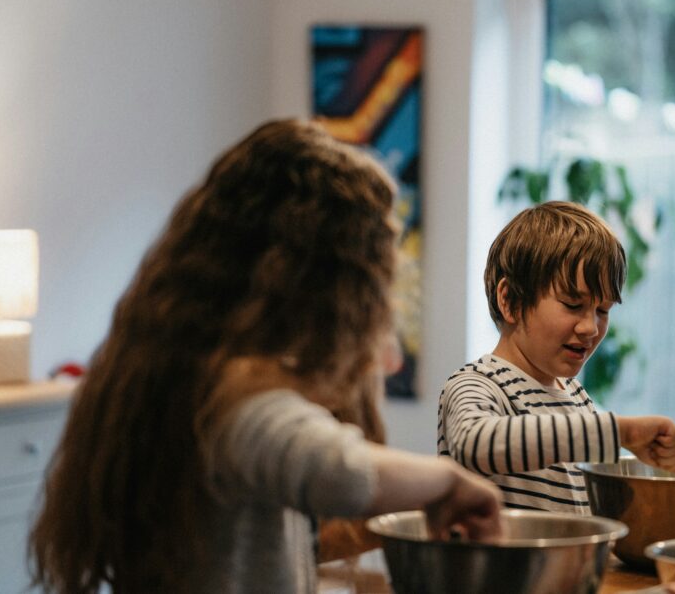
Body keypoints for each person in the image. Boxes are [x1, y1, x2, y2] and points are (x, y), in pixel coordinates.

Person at [29, 119, 503, 594]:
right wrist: (449, 481)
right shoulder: (231, 397)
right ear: (321, 286)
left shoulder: (178, 367)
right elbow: (340, 472)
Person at [437, 200, 675, 513]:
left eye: (602, 310)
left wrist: (660, 466)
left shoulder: (576, 397)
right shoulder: (477, 384)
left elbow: (589, 484)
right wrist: (622, 432)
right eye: (572, 305)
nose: (590, 327)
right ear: (510, 301)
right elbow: (474, 443)